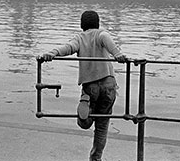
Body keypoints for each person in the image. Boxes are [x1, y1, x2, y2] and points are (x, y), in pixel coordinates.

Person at [38, 10, 127, 161]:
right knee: (102, 126)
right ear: (98, 23)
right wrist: (117, 54)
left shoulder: (79, 38)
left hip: (90, 86)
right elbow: (107, 39)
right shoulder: (101, 34)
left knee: (85, 123)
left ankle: (85, 113)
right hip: (108, 84)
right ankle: (95, 158)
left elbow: (68, 48)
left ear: (82, 25)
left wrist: (51, 54)